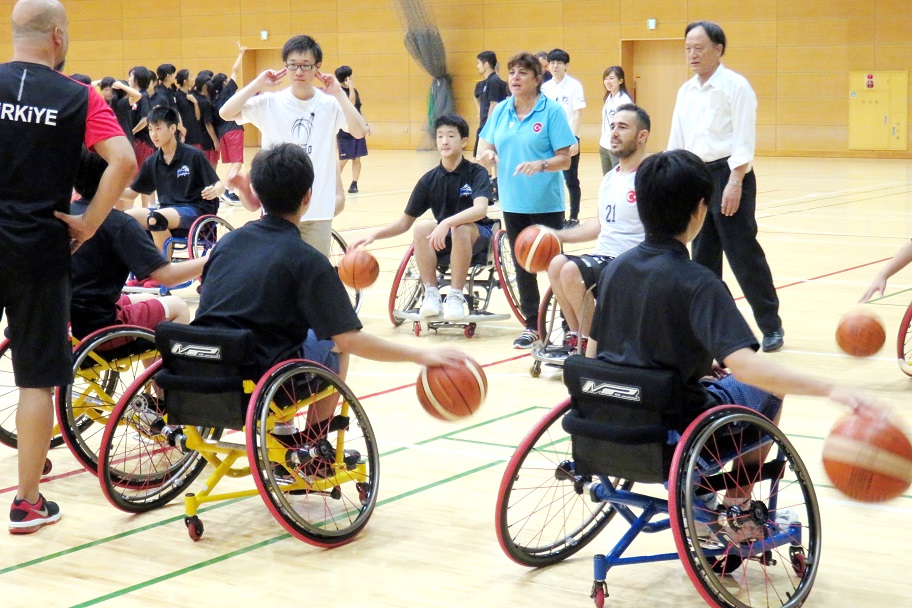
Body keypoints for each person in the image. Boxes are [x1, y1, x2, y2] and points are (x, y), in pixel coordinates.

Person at [587, 149, 881, 509]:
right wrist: (832, 389)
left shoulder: (614, 270)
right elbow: (749, 367)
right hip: (676, 432)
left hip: (608, 423)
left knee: (711, 382)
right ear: (699, 210)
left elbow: (595, 354)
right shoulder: (699, 283)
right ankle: (739, 508)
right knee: (764, 386)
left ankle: (711, 500)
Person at [1, 0, 135, 534]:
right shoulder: (78, 97)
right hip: (39, 247)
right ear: (57, 36)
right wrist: (90, 223)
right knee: (36, 379)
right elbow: (123, 159)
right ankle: (28, 503)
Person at [192, 143, 465, 395]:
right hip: (261, 377)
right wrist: (420, 355)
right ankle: (315, 438)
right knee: (332, 343)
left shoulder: (226, 242)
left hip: (202, 370)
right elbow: (349, 340)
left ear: (258, 195)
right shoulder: (308, 260)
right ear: (307, 197)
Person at [668, 21, 784, 353]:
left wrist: (735, 181)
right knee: (702, 257)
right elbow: (677, 140)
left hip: (730, 174)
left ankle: (770, 325)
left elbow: (744, 139)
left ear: (718, 49)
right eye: (688, 47)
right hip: (696, 176)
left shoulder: (736, 86)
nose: (692, 54)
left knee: (742, 252)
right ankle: (714, 329)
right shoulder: (685, 91)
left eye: (699, 47)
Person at [219, 34, 368, 256]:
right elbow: (225, 113)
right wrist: (258, 83)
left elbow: (359, 130)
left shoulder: (329, 104)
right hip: (277, 211)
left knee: (312, 276)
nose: (299, 71)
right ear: (284, 66)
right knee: (277, 275)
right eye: (293, 65)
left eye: (306, 66)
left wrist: (338, 92)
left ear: (317, 68)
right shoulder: (270, 103)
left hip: (316, 210)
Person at [348, 114, 492, 321]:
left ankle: (455, 296)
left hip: (477, 237)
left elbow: (480, 210)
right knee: (421, 227)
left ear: (463, 141)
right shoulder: (429, 180)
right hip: (443, 239)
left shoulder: (476, 172)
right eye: (440, 136)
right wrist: (374, 235)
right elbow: (404, 223)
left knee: (459, 229)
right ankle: (431, 293)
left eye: (451, 136)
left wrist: (447, 222)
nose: (444, 141)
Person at [477, 51, 575, 349]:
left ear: (536, 78)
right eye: (512, 73)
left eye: (522, 73)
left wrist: (542, 164)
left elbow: (565, 159)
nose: (515, 78)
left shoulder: (551, 111)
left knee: (555, 265)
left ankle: (568, 326)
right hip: (513, 201)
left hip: (547, 202)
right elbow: (484, 147)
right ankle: (533, 324)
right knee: (523, 266)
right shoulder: (502, 111)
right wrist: (488, 155)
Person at [70, 149, 206, 340]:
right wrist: (210, 259)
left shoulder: (63, 214)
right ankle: (159, 371)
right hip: (97, 328)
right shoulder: (120, 224)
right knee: (178, 307)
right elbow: (168, 277)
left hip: (59, 323)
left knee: (149, 299)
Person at [546, 104, 649, 349]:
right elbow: (600, 225)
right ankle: (577, 334)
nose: (613, 132)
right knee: (556, 263)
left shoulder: (649, 176)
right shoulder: (611, 177)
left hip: (632, 262)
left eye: (623, 127)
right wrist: (557, 235)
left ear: (642, 136)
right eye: (612, 126)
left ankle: (596, 343)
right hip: (604, 256)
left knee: (571, 271)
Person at [122, 106, 224, 255]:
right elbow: (131, 194)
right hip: (166, 211)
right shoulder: (152, 162)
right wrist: (104, 189)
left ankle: (163, 270)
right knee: (125, 219)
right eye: (150, 129)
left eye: (158, 129)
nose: (153, 134)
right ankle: (144, 265)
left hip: (195, 211)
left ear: (172, 128)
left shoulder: (193, 155)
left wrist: (217, 190)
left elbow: (219, 184)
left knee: (155, 218)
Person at [541, 49, 585, 227]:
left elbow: (578, 113)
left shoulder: (574, 86)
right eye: (552, 62)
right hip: (548, 140)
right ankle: (553, 215)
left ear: (566, 65)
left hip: (568, 139)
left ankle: (573, 217)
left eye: (559, 62)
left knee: (571, 179)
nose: (555, 65)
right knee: (549, 177)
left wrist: (574, 138)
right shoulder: (545, 88)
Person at [209, 44, 246, 204]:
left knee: (234, 163)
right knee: (237, 163)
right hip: (233, 130)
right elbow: (235, 71)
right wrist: (241, 54)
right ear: (224, 83)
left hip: (223, 133)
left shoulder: (214, 99)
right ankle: (227, 190)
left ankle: (227, 190)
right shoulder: (227, 92)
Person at [334, 65, 370, 194]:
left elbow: (358, 109)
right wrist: (350, 87)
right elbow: (350, 104)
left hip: (357, 130)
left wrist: (365, 124)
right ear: (347, 78)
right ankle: (334, 183)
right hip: (345, 131)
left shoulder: (354, 91)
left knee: (357, 158)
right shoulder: (338, 93)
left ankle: (354, 183)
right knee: (343, 159)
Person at [473, 51, 508, 157]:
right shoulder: (487, 82)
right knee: (479, 157)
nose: (477, 66)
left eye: (479, 63)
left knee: (483, 158)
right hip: (484, 126)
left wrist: (488, 126)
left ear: (486, 64)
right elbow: (476, 97)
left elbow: (494, 104)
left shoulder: (493, 81)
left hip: (488, 128)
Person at [598, 66, 632, 174]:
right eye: (606, 78)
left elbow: (627, 125)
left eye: (611, 78)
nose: (608, 82)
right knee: (607, 179)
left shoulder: (624, 100)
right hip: (604, 145)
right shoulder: (608, 98)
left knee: (617, 179)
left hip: (616, 145)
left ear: (620, 80)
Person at [190, 71, 220, 170]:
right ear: (204, 86)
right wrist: (215, 141)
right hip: (207, 139)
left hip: (195, 136)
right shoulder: (205, 102)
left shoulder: (192, 96)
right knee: (211, 167)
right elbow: (208, 123)